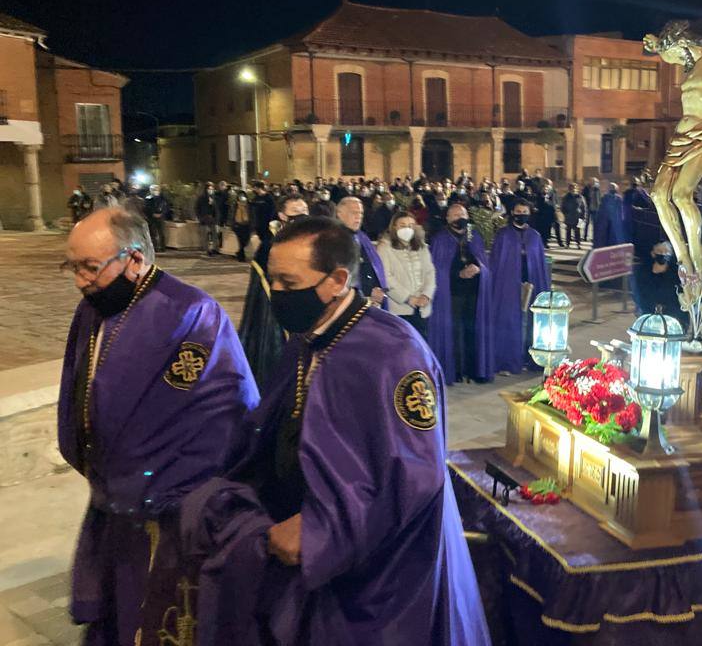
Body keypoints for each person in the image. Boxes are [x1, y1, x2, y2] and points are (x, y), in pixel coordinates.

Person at [183, 217, 490, 645]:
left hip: (378, 572)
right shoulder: (307, 339)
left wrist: (319, 532)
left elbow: (415, 475)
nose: (276, 293)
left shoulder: (394, 354)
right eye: (273, 280)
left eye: (289, 283)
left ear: (338, 281)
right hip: (299, 548)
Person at [57, 207, 258, 644]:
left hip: (169, 510)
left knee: (158, 613)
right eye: (72, 267)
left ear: (134, 259)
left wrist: (148, 478)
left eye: (90, 267)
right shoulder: (93, 309)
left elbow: (218, 410)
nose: (80, 280)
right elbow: (79, 386)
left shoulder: (192, 313)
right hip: (113, 496)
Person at [238, 196, 308, 389]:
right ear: (282, 216)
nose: (302, 216)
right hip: (279, 315)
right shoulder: (271, 246)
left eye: (304, 210)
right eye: (296, 211)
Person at [427, 203, 494, 384]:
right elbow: (436, 268)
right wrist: (458, 273)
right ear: (448, 218)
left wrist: (479, 268)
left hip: (474, 292)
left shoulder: (475, 236)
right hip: (452, 293)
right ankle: (455, 370)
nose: (460, 218)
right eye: (455, 215)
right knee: (454, 331)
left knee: (472, 329)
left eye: (463, 214)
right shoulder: (440, 239)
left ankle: (474, 369)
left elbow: (484, 262)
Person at [491, 201, 551, 375]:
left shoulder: (535, 236)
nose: (521, 214)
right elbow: (496, 262)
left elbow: (539, 263)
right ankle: (507, 360)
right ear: (512, 212)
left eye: (525, 211)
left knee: (531, 322)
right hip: (508, 285)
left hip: (532, 283)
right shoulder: (503, 235)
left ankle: (529, 359)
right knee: (509, 322)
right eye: (518, 211)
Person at [377, 212, 436, 337]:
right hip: (399, 309)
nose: (407, 229)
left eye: (410, 225)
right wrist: (408, 298)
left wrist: (426, 295)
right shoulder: (384, 247)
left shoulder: (422, 247)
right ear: (394, 227)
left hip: (422, 308)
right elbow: (386, 277)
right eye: (402, 225)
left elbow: (430, 272)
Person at [336, 196, 388, 309]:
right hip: (350, 304)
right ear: (340, 214)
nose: (358, 216)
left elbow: (374, 266)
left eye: (360, 213)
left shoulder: (362, 237)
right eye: (354, 212)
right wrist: (365, 296)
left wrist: (379, 288)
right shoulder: (332, 240)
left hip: (373, 302)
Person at [632, 242, 686, 322]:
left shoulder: (675, 273)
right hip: (650, 315)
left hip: (673, 316)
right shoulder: (643, 272)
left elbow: (678, 297)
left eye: (667, 252)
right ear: (653, 253)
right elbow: (640, 296)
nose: (663, 254)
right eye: (660, 251)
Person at [593, 182, 626, 248]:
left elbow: (601, 210)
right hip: (612, 221)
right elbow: (621, 211)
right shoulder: (617, 198)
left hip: (608, 221)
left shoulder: (606, 197)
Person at [195, 182, 221, 256]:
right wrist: (200, 217)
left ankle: (215, 249)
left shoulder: (214, 198)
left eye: (212, 189)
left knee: (215, 235)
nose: (211, 190)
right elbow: (197, 208)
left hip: (212, 219)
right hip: (204, 219)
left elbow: (216, 210)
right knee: (205, 236)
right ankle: (208, 250)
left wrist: (216, 219)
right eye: (209, 189)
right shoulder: (201, 198)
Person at [144, 184, 170, 253]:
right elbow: (146, 208)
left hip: (161, 218)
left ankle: (162, 247)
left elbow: (166, 207)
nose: (155, 191)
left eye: (157, 189)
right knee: (153, 233)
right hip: (152, 218)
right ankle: (155, 247)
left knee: (162, 233)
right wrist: (152, 214)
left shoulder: (163, 199)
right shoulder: (148, 199)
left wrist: (162, 214)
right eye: (153, 189)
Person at [561, 183, 586, 249]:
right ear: (569, 189)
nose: (573, 190)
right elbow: (562, 207)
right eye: (572, 188)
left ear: (577, 189)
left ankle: (578, 244)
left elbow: (584, 207)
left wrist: (584, 217)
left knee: (577, 231)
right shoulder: (566, 197)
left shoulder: (580, 197)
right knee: (568, 231)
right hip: (569, 216)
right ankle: (567, 244)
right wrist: (565, 214)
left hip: (578, 217)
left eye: (575, 188)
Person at [231, 191, 252, 261]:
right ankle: (241, 257)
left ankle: (239, 252)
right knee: (240, 241)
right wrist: (232, 224)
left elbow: (252, 214)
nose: (242, 197)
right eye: (240, 196)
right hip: (238, 224)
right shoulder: (235, 205)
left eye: (243, 195)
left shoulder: (249, 204)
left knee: (246, 240)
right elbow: (232, 214)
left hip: (247, 225)